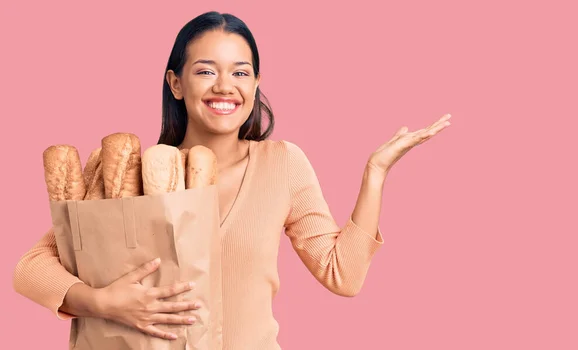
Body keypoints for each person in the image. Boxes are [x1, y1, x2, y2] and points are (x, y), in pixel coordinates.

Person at [12, 11, 451, 349]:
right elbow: (30, 268)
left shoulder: (283, 164)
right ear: (176, 83)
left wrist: (375, 173)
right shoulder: (140, 174)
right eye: (206, 70)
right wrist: (103, 303)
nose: (225, 86)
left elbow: (344, 275)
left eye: (240, 72)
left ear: (256, 83)